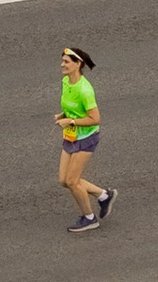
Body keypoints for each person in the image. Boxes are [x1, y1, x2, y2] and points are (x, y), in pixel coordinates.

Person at [56, 43, 114, 233]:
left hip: (86, 138)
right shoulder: (66, 82)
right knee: (64, 181)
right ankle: (104, 195)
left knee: (73, 181)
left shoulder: (85, 90)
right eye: (62, 61)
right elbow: (71, 107)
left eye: (66, 62)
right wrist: (63, 115)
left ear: (77, 64)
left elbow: (95, 119)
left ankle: (89, 218)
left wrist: (70, 122)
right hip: (71, 136)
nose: (62, 65)